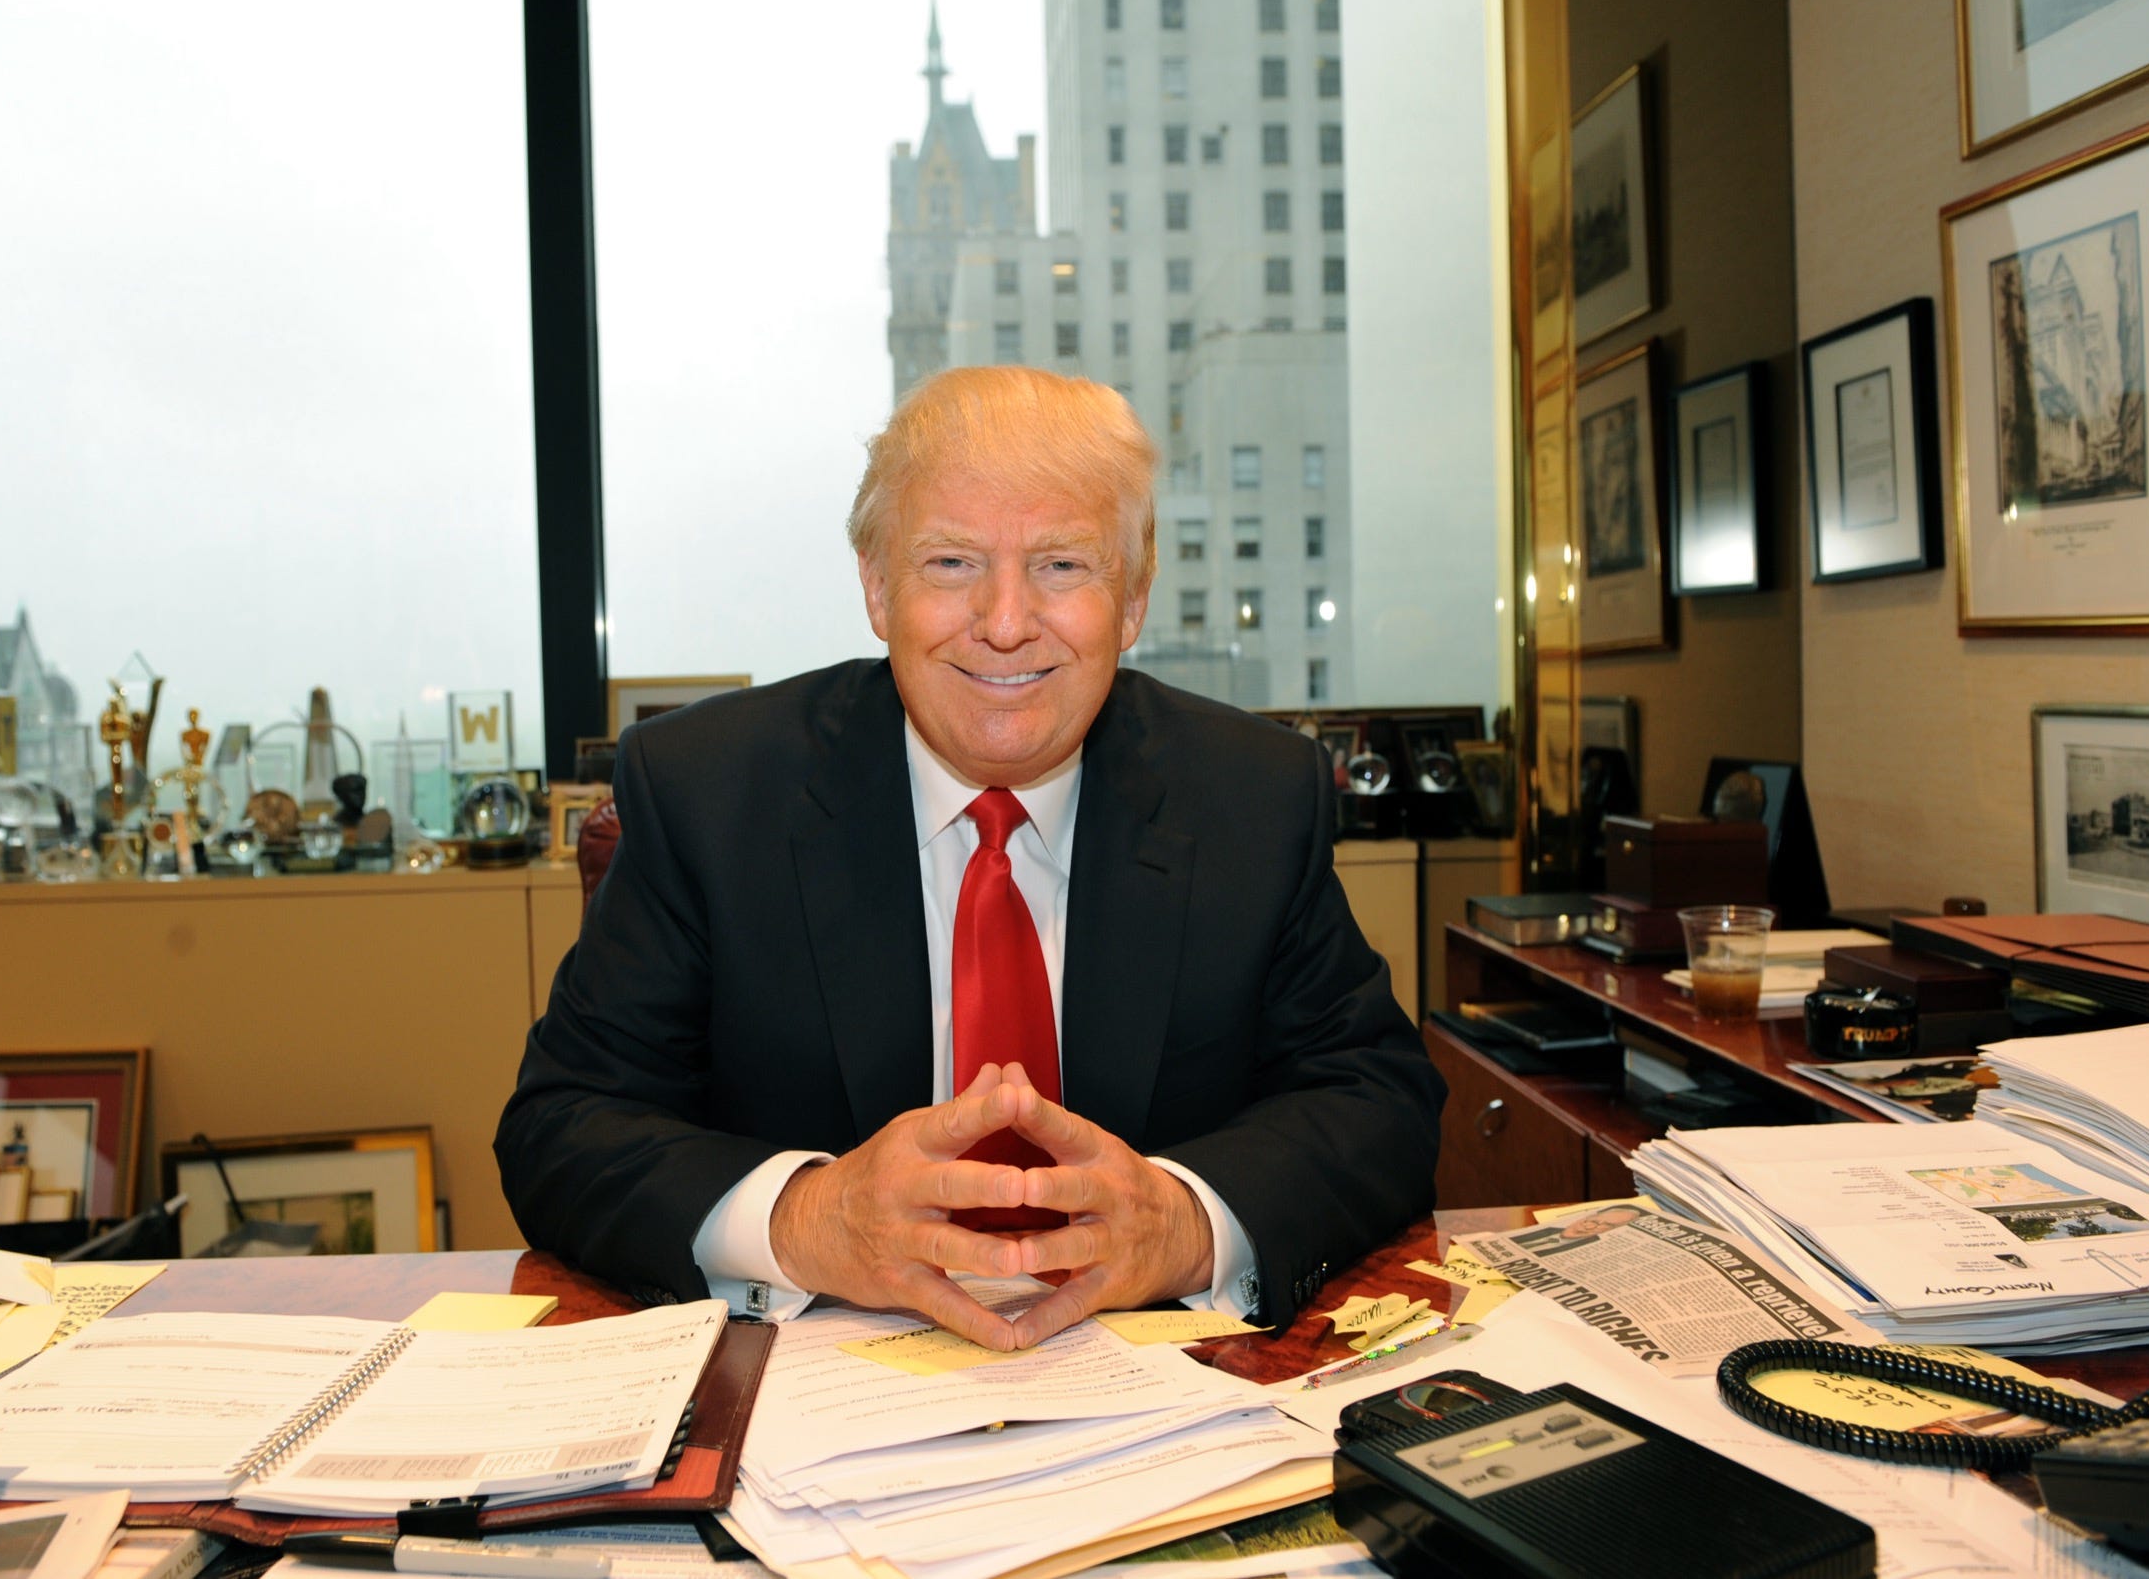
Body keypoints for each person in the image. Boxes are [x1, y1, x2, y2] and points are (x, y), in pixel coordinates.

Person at [497, 366, 1444, 1351]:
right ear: (876, 585)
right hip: (818, 1403)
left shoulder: (1250, 794)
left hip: (1152, 1396)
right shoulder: (709, 792)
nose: (1003, 622)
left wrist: (1187, 1223)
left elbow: (1377, 1101)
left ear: (1131, 599)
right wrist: (806, 1221)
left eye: (1061, 566)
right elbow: (563, 1124)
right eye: (950, 563)